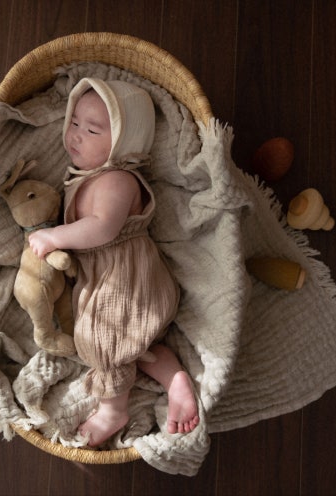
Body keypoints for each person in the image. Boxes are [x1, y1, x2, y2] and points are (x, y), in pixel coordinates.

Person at [28, 78, 200, 446]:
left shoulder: (117, 179)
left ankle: (113, 411)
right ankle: (174, 379)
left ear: (124, 143)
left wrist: (55, 237)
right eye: (74, 122)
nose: (76, 135)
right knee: (132, 346)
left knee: (104, 340)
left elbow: (103, 228)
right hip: (113, 278)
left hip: (125, 276)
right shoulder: (85, 177)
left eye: (92, 130)